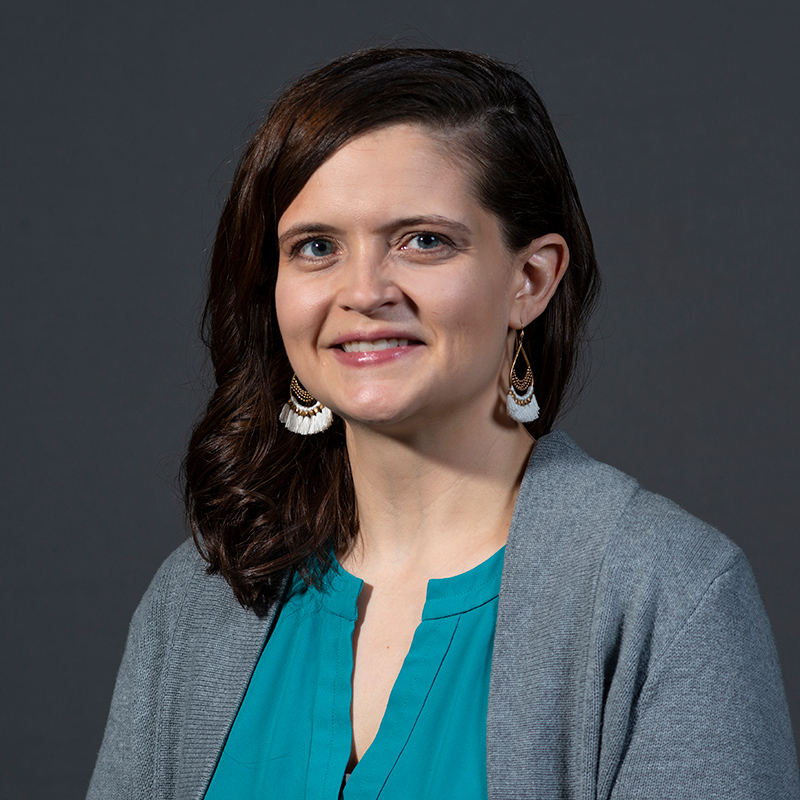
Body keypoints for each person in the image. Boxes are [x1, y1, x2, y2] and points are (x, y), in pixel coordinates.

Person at [87, 48, 799, 799]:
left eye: (423, 240)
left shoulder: (667, 594)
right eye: (316, 248)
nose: (363, 292)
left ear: (530, 280)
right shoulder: (199, 599)